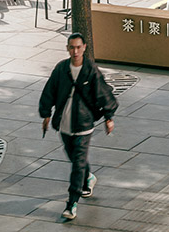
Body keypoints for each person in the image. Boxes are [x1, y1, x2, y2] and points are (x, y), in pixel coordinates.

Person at [39, 33, 117, 222]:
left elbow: (103, 92)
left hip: (83, 123)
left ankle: (71, 203)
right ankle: (88, 177)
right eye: (71, 47)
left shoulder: (90, 69)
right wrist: (46, 114)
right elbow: (49, 91)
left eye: (78, 47)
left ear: (84, 48)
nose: (75, 51)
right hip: (64, 123)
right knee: (74, 158)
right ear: (67, 48)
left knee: (77, 163)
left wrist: (109, 117)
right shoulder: (61, 68)